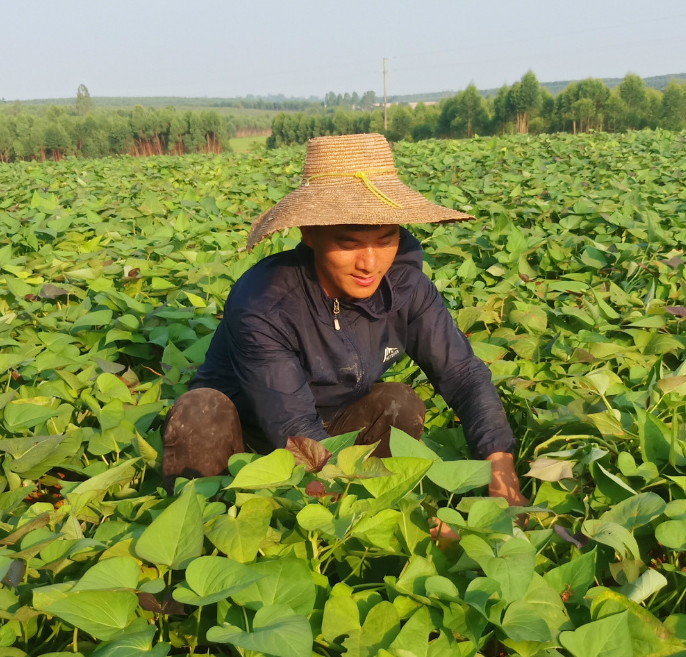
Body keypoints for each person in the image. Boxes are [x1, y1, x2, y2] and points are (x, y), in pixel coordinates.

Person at [159, 132, 524, 504]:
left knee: (399, 403)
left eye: (385, 239)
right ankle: (206, 523)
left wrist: (500, 466)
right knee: (201, 411)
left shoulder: (406, 285)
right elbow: (292, 427)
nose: (370, 263)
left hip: (334, 425)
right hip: (247, 432)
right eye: (349, 243)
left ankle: (360, 506)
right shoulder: (264, 302)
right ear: (310, 235)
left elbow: (462, 374)